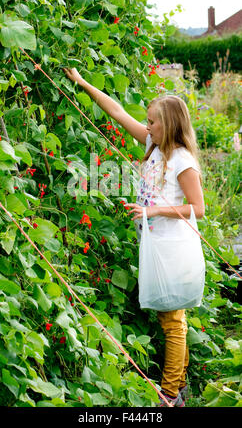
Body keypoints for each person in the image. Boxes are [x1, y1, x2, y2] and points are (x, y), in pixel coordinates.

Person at [63, 68, 205, 407]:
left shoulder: (182, 160)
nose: (148, 124)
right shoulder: (154, 146)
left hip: (174, 248)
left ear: (168, 125)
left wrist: (151, 212)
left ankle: (169, 395)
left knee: (173, 319)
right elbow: (117, 111)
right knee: (170, 315)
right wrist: (83, 83)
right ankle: (180, 384)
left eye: (153, 121)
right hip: (157, 245)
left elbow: (198, 209)